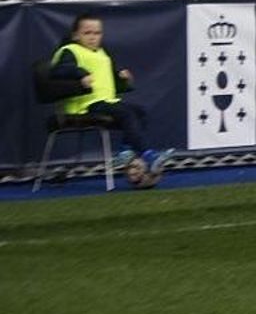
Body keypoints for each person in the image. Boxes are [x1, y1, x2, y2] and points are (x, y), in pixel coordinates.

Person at [51, 13, 175, 185]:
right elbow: (59, 70)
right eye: (87, 33)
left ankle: (126, 152)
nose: (93, 37)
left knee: (139, 112)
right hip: (85, 105)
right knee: (126, 114)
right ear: (76, 35)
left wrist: (121, 77)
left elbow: (107, 80)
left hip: (106, 102)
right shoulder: (69, 51)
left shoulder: (101, 53)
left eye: (97, 33)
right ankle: (148, 155)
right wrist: (81, 74)